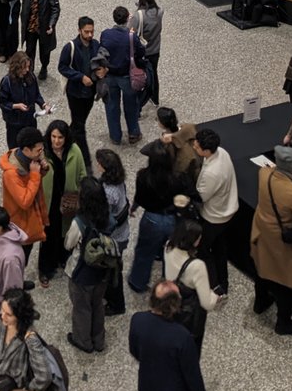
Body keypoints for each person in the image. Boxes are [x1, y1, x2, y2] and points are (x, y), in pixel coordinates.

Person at [250, 145, 292, 334]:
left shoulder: (264, 174)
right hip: (280, 243)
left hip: (261, 231)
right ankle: (283, 323)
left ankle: (260, 302)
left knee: (262, 269)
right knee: (283, 282)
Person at [128, 280, 210, 391]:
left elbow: (134, 351)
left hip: (147, 390)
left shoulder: (137, 319)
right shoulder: (182, 336)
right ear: (174, 305)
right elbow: (192, 375)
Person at [126, 142, 192, 294]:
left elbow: (140, 198)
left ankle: (138, 282)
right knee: (170, 253)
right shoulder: (177, 178)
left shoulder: (143, 176)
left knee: (144, 252)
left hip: (151, 219)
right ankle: (168, 283)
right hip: (172, 219)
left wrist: (134, 207)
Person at [63, 177, 113, 354]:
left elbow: (68, 244)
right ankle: (99, 340)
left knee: (82, 308)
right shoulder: (108, 217)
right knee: (97, 305)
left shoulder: (80, 222)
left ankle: (83, 341)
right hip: (103, 271)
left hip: (81, 274)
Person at [162, 220, 223, 352]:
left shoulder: (168, 246)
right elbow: (207, 303)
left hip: (171, 298)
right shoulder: (197, 266)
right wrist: (214, 296)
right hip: (189, 312)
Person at [0, 289, 52, 391]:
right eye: (2, 310)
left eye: (9, 314)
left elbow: (44, 376)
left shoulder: (30, 338)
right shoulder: (1, 321)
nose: (3, 316)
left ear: (19, 316)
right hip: (1, 379)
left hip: (15, 389)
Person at [38, 119, 86, 287]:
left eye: (60, 137)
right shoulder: (43, 154)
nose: (56, 141)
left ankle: (61, 258)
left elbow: (82, 173)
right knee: (48, 235)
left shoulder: (74, 150)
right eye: (53, 137)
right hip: (49, 202)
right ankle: (45, 269)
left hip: (68, 200)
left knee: (64, 232)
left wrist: (81, 192)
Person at [192, 127, 238, 294]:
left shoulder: (212, 173)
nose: (194, 147)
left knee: (203, 250)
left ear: (206, 151)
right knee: (219, 247)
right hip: (226, 209)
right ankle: (223, 281)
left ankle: (214, 284)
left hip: (213, 216)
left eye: (197, 146)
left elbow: (201, 196)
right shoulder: (222, 153)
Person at [57, 16, 103, 168]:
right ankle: (86, 160)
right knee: (80, 126)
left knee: (78, 123)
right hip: (75, 93)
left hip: (90, 93)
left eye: (92, 31)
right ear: (79, 30)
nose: (90, 35)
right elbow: (62, 67)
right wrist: (80, 77)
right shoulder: (70, 47)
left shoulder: (95, 45)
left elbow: (101, 61)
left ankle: (62, 140)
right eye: (86, 32)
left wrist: (103, 70)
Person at [0, 125, 49, 265]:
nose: (41, 153)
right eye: (38, 150)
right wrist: (35, 174)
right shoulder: (11, 174)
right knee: (19, 259)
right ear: (26, 149)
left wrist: (43, 169)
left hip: (31, 218)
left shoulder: (29, 158)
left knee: (25, 254)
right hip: (20, 223)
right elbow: (25, 201)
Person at [99, 6, 145, 145]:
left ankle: (115, 136)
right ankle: (133, 133)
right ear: (127, 19)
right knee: (131, 106)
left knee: (112, 106)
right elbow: (141, 52)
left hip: (110, 75)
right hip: (126, 76)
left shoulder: (106, 34)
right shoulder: (131, 36)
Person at [96, 148, 130, 315]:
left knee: (112, 273)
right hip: (122, 233)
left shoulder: (108, 192)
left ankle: (116, 305)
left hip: (113, 238)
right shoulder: (119, 180)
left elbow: (104, 217)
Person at [0, 51, 45, 149]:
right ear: (17, 67)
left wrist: (43, 105)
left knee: (31, 145)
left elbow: (36, 94)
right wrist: (16, 106)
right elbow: (2, 102)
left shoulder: (31, 77)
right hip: (15, 122)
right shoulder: (7, 82)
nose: (27, 70)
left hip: (30, 119)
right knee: (15, 147)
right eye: (24, 67)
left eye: (28, 67)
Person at [19, 0, 59, 82]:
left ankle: (44, 67)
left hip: (43, 27)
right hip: (30, 26)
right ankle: (29, 70)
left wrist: (51, 24)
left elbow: (55, 9)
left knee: (44, 51)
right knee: (29, 50)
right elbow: (25, 3)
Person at [128, 0, 163, 105]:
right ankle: (155, 98)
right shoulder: (160, 11)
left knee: (140, 75)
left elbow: (130, 31)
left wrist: (130, 19)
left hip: (143, 51)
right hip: (155, 49)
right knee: (154, 73)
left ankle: (140, 100)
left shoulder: (138, 16)